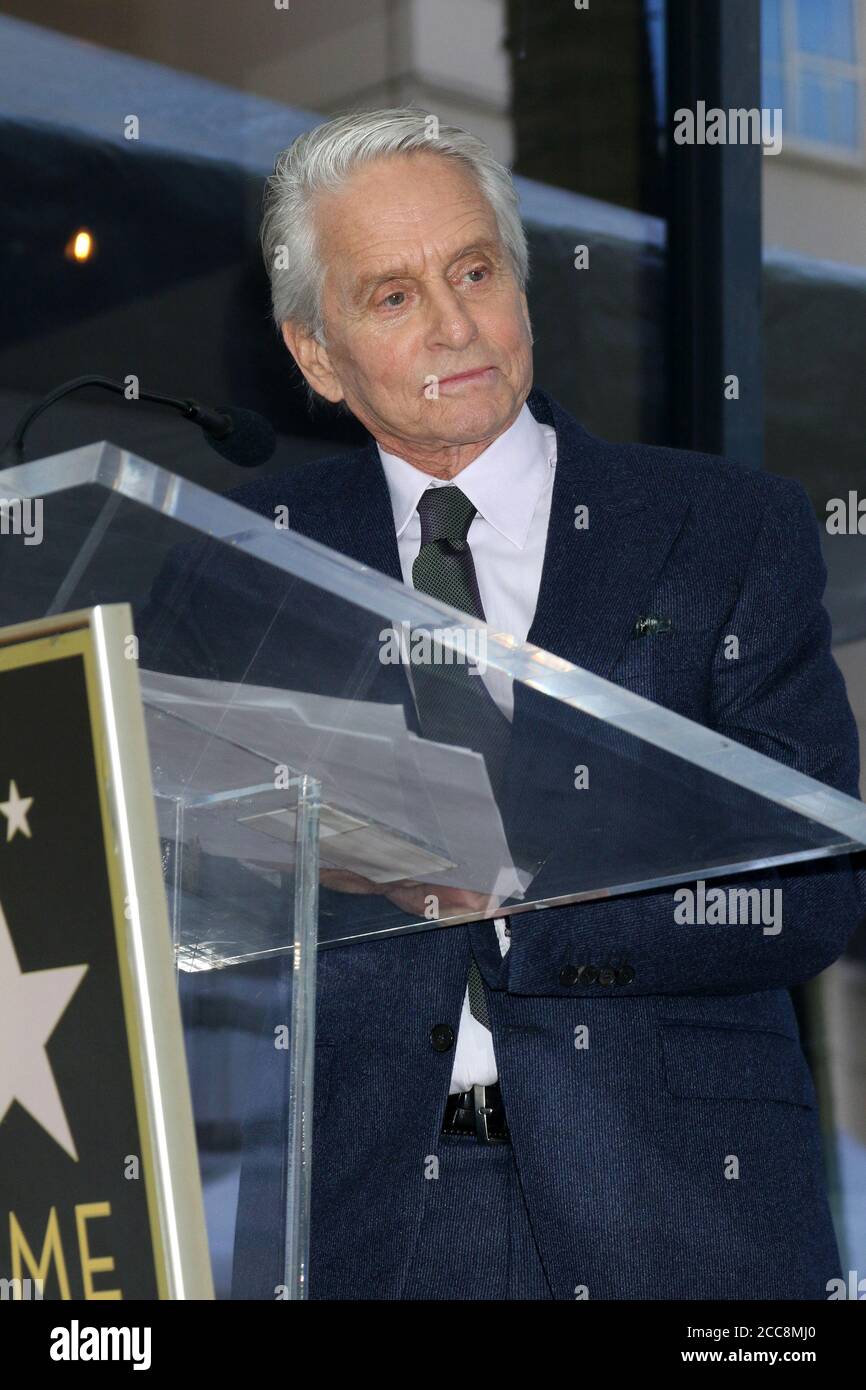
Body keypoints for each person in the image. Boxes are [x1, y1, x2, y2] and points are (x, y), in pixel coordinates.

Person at [149, 107, 866, 1300]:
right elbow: (172, 877)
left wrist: (517, 897)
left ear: (518, 285)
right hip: (361, 1231)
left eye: (472, 270)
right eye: (390, 295)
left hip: (685, 1220)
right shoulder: (242, 569)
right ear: (315, 355)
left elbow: (810, 888)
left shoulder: (722, 528)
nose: (452, 322)